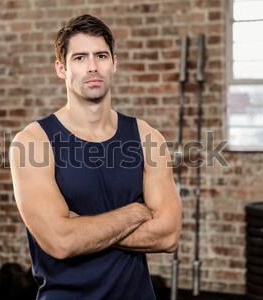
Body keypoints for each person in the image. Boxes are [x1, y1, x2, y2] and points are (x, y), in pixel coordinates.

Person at [10, 14, 182, 300]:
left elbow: (168, 235)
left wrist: (81, 225)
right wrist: (136, 212)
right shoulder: (32, 142)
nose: (92, 67)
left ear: (114, 63)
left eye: (100, 55)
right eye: (79, 58)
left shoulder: (147, 137)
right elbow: (61, 241)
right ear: (61, 68)